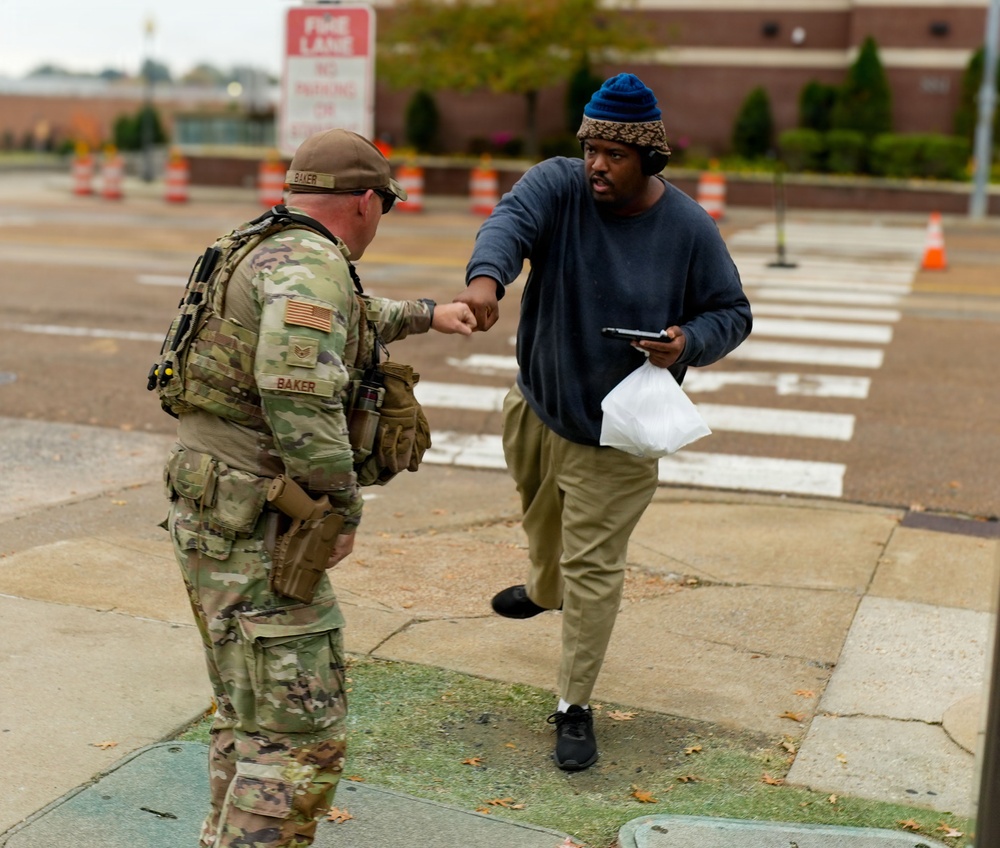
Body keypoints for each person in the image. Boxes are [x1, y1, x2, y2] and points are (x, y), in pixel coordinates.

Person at [161, 128, 476, 848]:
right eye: (384, 208)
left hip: (214, 507)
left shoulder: (262, 244)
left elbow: (345, 322)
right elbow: (296, 394)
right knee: (299, 742)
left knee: (249, 720)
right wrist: (340, 508)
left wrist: (431, 314)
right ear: (365, 201)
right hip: (264, 527)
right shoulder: (311, 264)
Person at [455, 73, 752, 771]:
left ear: (649, 158)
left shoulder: (686, 227)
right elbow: (508, 223)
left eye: (615, 153)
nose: (597, 163)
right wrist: (485, 283)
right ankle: (543, 586)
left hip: (619, 435)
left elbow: (731, 312)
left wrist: (685, 342)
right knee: (541, 526)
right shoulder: (557, 186)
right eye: (591, 146)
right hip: (537, 407)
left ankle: (573, 704)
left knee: (594, 567)